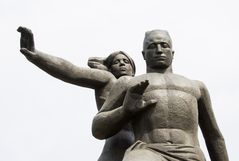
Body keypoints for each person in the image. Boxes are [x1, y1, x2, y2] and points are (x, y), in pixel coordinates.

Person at [92, 29, 229, 161]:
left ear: (172, 52)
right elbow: (98, 129)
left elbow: (214, 136)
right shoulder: (128, 83)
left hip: (190, 153)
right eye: (152, 46)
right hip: (147, 152)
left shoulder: (197, 87)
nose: (159, 50)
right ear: (144, 54)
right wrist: (124, 111)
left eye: (164, 45)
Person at [17, 26, 136, 161]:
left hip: (149, 149)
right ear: (109, 68)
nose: (122, 64)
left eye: (126, 61)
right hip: (116, 149)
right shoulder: (108, 80)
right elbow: (72, 71)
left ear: (133, 68)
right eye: (116, 62)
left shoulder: (149, 84)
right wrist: (36, 55)